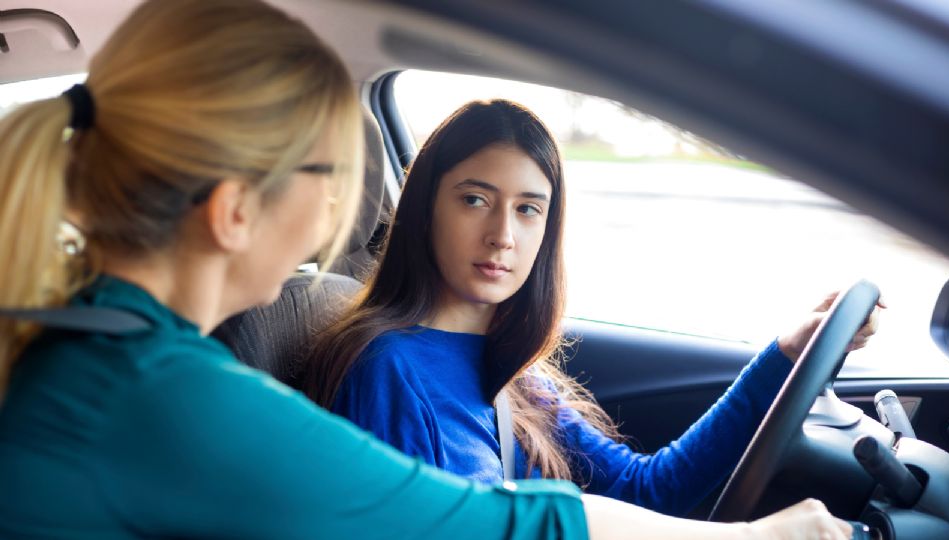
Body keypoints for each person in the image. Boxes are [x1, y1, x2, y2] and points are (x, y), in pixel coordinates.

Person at [0, 0, 855, 537]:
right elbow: (490, 526)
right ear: (234, 210)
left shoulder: (121, 361)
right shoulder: (162, 393)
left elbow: (618, 493)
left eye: (529, 209)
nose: (339, 214)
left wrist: (783, 355)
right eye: (331, 177)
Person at [303, 99, 881, 522]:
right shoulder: (388, 369)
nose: (502, 234)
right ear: (427, 209)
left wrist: (785, 355)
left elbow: (650, 488)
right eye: (475, 200)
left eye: (529, 209)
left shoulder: (512, 368)